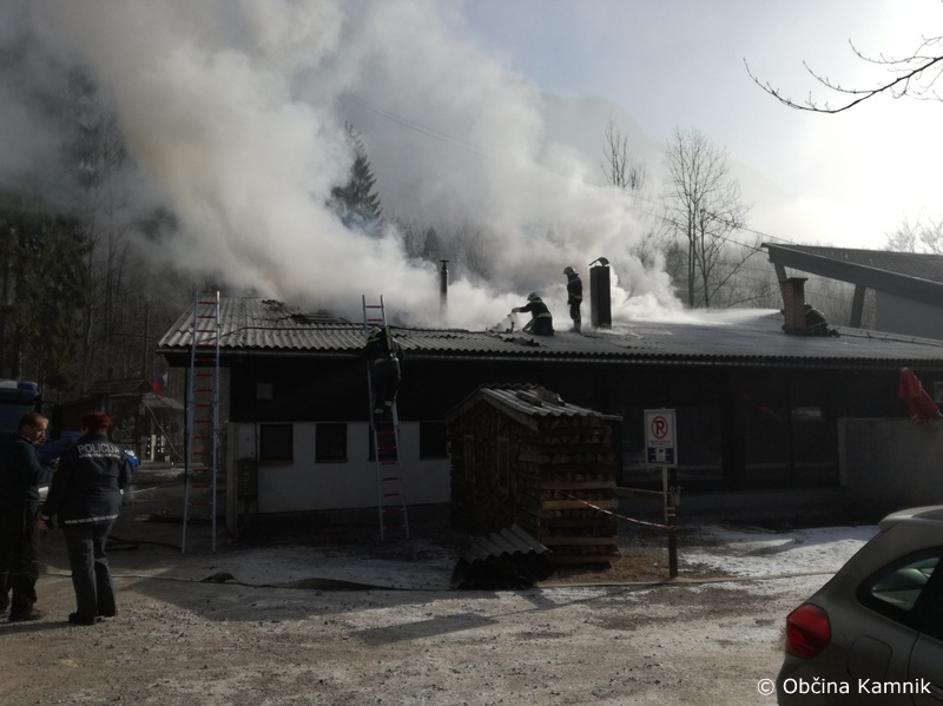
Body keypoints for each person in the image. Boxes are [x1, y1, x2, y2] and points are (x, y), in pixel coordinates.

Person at [38, 411, 131, 626]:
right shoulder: (118, 451)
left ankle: (87, 613)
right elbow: (125, 480)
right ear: (105, 428)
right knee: (99, 556)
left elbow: (59, 487)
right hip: (108, 511)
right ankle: (108, 607)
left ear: (85, 427)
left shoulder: (75, 451)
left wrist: (45, 514)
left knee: (82, 564)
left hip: (78, 514)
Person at [0, 412, 49, 621]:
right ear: (26, 428)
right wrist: (50, 467)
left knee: (3, 558)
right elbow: (35, 475)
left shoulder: (7, 444)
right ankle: (22, 608)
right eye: (39, 429)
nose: (42, 434)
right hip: (22, 510)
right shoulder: (24, 448)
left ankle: (1, 604)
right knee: (26, 559)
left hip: (6, 507)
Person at [364, 326, 403, 420]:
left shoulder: (372, 342)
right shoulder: (394, 340)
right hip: (395, 368)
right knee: (391, 391)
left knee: (380, 392)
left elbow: (364, 355)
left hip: (382, 369)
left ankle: (378, 419)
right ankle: (387, 411)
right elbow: (402, 356)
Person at [563, 266, 583, 333]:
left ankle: (577, 328)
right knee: (573, 313)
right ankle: (576, 327)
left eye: (567, 274)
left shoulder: (575, 280)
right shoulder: (572, 279)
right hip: (574, 298)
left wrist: (573, 297)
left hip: (576, 298)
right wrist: (570, 299)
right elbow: (570, 291)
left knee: (575, 312)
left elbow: (574, 290)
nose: (566, 275)